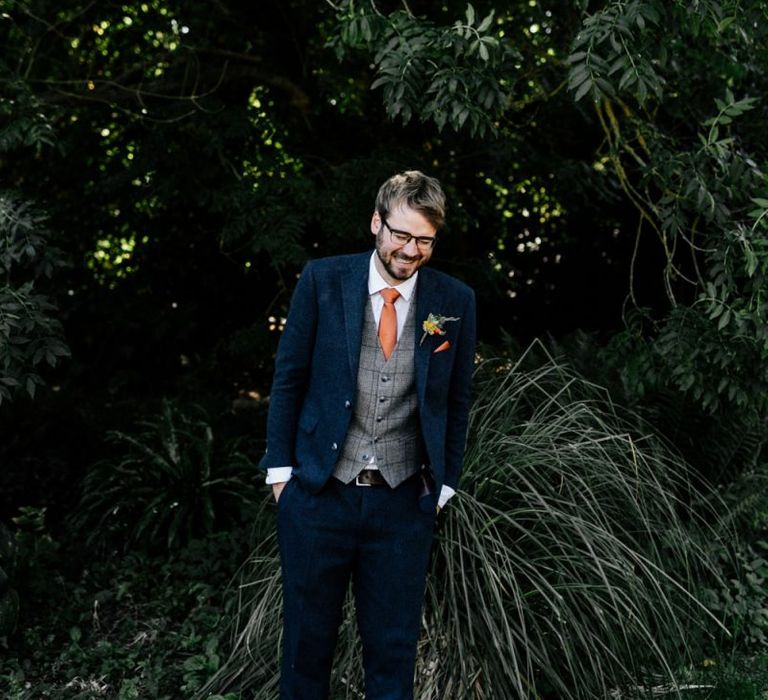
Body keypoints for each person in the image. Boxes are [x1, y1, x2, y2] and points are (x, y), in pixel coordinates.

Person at [260, 170, 476, 699]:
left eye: (423, 239)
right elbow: (289, 378)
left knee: (393, 652)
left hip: (403, 503)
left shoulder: (454, 301)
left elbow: (456, 398)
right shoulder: (323, 280)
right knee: (305, 650)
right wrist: (281, 473)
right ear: (376, 224)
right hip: (318, 495)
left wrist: (445, 483)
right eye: (401, 234)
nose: (410, 249)